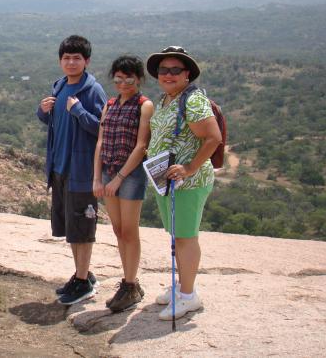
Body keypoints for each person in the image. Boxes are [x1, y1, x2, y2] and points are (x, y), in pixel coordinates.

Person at [146, 46, 222, 320]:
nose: (168, 74)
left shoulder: (192, 100)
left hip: (187, 183)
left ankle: (189, 296)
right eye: (163, 70)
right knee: (177, 234)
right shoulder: (168, 99)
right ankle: (182, 286)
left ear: (187, 74)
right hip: (168, 181)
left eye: (175, 70)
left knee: (186, 237)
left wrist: (189, 168)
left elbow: (213, 138)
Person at [37, 35, 107, 305]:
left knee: (82, 227)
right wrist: (43, 112)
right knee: (71, 227)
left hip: (81, 171)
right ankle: (82, 275)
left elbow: (102, 128)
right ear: (60, 61)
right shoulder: (60, 86)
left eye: (76, 58)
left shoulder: (92, 91)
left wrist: (79, 111)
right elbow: (54, 122)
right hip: (60, 167)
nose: (71, 62)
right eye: (66, 58)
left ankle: (82, 282)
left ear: (86, 61)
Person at [92, 55, 153, 312]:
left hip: (130, 175)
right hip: (108, 170)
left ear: (139, 79)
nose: (123, 82)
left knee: (130, 231)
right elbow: (100, 142)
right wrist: (98, 178)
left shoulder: (144, 105)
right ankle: (128, 284)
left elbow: (141, 146)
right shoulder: (110, 104)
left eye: (129, 78)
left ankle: (130, 284)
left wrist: (118, 178)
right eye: (119, 78)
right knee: (118, 231)